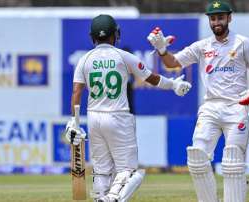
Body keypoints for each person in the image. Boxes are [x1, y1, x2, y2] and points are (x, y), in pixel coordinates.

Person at [147, 1, 249, 202]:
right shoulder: (202, 46)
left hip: (237, 107)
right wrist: (161, 50)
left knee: (233, 161)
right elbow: (172, 63)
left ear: (229, 18)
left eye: (220, 17)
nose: (216, 22)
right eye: (213, 18)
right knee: (197, 157)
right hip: (210, 107)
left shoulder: (242, 43)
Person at [64, 14, 192, 202]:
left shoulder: (85, 59)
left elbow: (77, 91)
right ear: (115, 35)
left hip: (94, 118)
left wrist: (74, 122)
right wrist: (172, 84)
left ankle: (101, 197)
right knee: (130, 171)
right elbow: (151, 78)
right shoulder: (123, 56)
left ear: (93, 37)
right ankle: (112, 199)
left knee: (101, 170)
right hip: (118, 117)